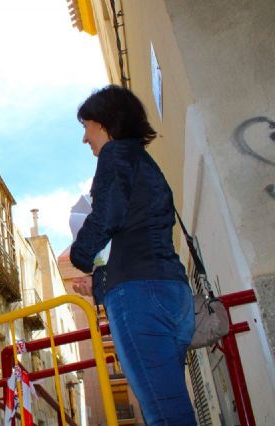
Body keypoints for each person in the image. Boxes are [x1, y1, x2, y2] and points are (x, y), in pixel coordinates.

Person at [70, 85, 196, 425]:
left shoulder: (116, 155)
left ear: (105, 122)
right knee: (172, 405)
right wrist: (98, 282)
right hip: (175, 295)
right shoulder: (146, 164)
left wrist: (80, 255)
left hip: (140, 298)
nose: (85, 138)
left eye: (87, 126)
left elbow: (109, 213)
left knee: (165, 416)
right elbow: (140, 234)